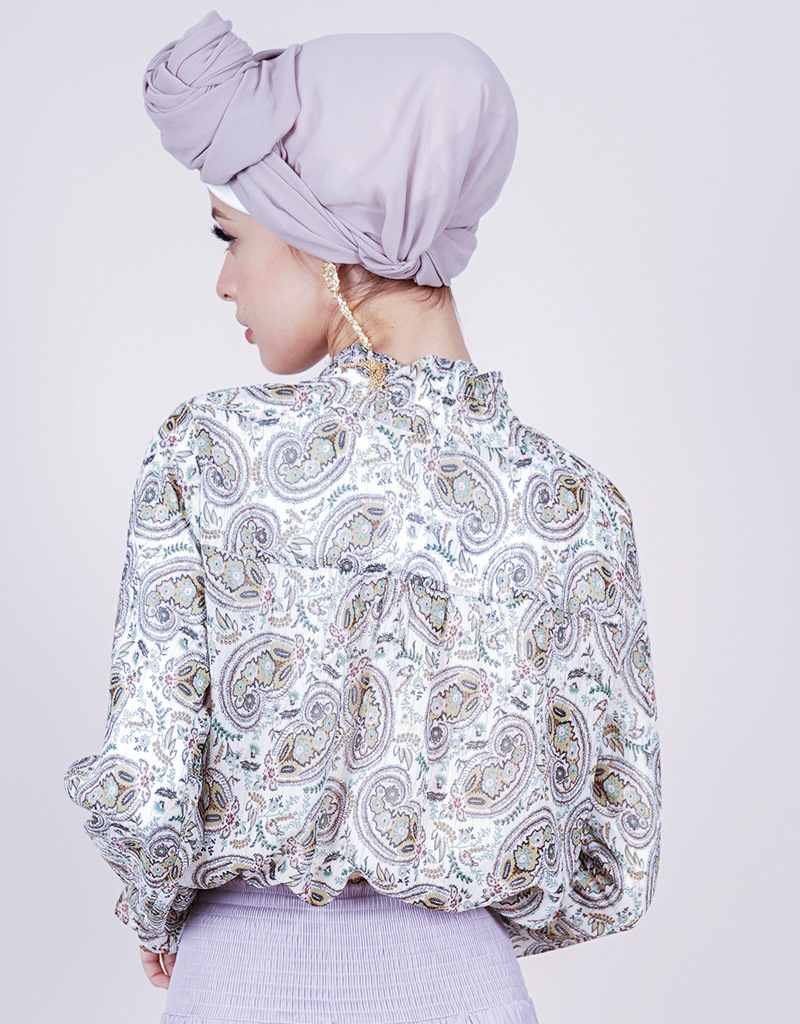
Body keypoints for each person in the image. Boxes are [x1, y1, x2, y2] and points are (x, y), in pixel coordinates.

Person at [64, 10, 661, 1024]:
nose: (225, 280)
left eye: (230, 235)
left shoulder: (207, 457)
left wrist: (158, 906)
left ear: (322, 237)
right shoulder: (578, 508)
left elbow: (149, 776)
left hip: (242, 986)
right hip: (466, 992)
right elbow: (614, 857)